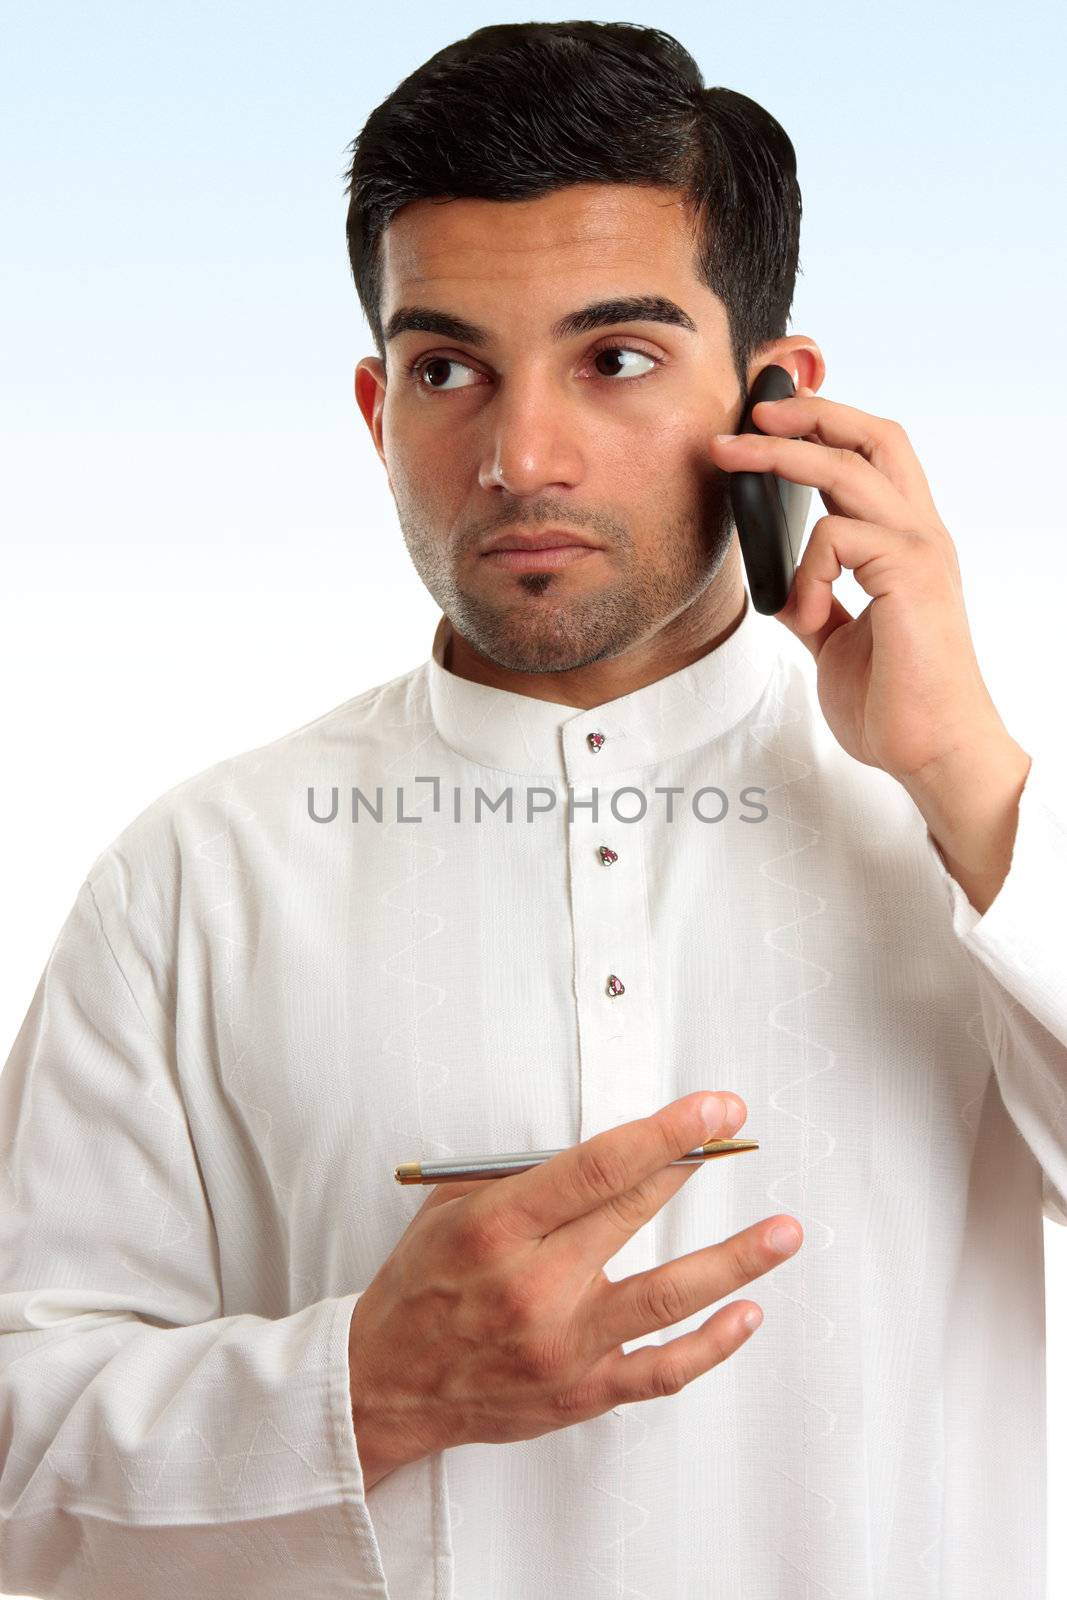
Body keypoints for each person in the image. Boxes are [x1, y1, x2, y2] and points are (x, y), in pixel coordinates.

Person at [1, 19, 1064, 1600]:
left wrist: (966, 775)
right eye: (448, 370)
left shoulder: (972, 840)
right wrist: (362, 1385)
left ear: (780, 397)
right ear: (374, 410)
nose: (519, 455)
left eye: (615, 358)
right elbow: (21, 1461)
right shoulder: (188, 880)